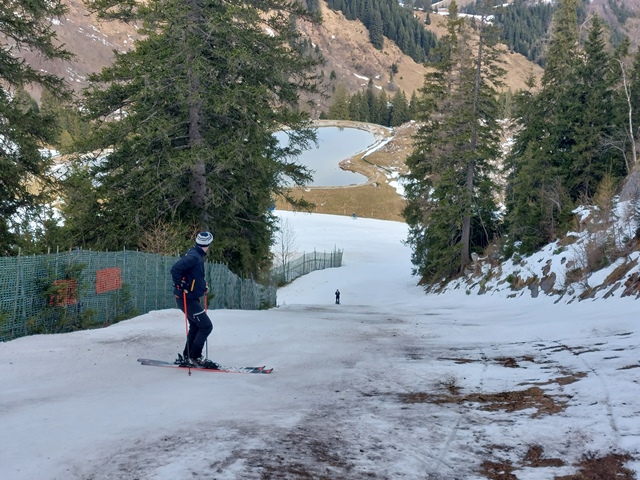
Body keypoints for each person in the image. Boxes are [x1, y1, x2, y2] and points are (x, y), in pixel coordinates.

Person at [170, 231, 216, 367]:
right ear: (208, 244)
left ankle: (188, 356)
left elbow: (193, 276)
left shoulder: (195, 254)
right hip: (186, 298)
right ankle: (195, 356)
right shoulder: (194, 257)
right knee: (206, 326)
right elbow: (175, 269)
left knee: (196, 326)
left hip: (190, 296)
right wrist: (179, 285)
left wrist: (202, 287)